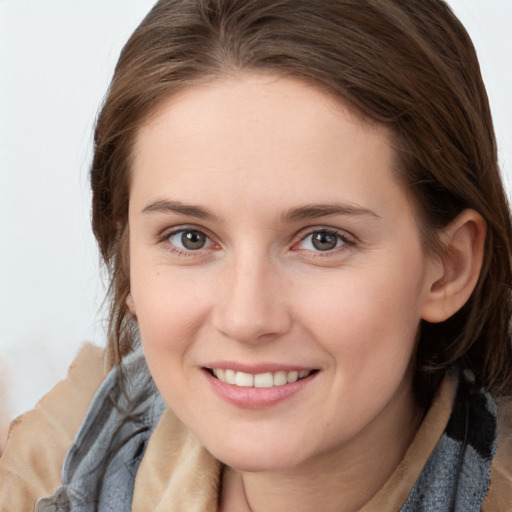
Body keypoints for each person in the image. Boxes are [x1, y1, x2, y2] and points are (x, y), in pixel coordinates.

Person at [1, 0, 511, 510]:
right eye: (190, 238)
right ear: (127, 259)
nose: (246, 318)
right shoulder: (39, 470)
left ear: (448, 268)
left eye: (322, 240)